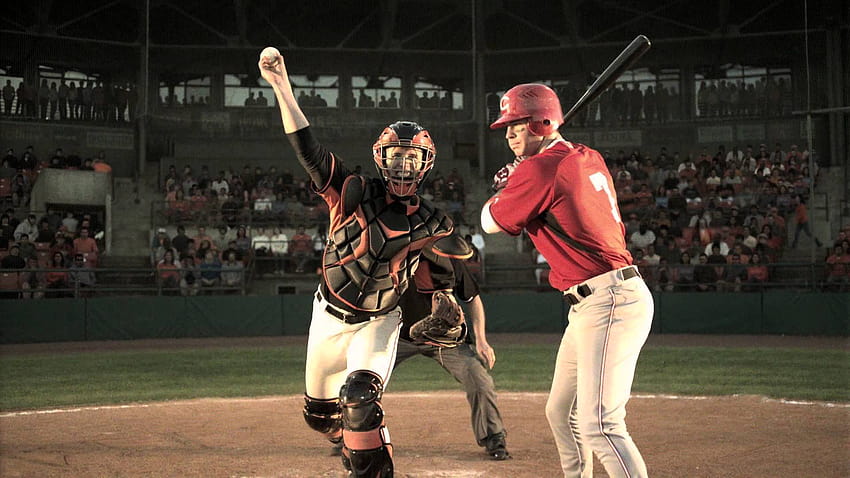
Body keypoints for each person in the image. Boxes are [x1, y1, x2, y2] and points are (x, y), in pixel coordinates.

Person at [259, 48, 470, 477]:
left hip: (379, 320)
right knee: (319, 416)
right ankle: (344, 439)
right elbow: (308, 149)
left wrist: (446, 308)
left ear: (425, 165)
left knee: (360, 396)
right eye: (396, 156)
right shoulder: (353, 189)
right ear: (381, 158)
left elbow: (443, 281)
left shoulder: (434, 223)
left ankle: (371, 464)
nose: (403, 165)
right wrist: (282, 86)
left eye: (412, 157)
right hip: (328, 316)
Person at [481, 83, 653, 478]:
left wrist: (508, 186)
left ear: (541, 122)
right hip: (597, 299)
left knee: (601, 425)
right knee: (561, 411)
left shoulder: (541, 168)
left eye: (517, 124)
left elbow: (489, 222)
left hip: (609, 299)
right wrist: (520, 178)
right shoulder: (585, 155)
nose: (508, 133)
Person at [392, 254, 509, 460]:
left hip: (445, 339)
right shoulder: (394, 259)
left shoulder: (449, 259)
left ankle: (494, 436)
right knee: (363, 376)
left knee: (479, 380)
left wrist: (481, 339)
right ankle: (350, 432)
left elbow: (473, 300)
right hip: (401, 336)